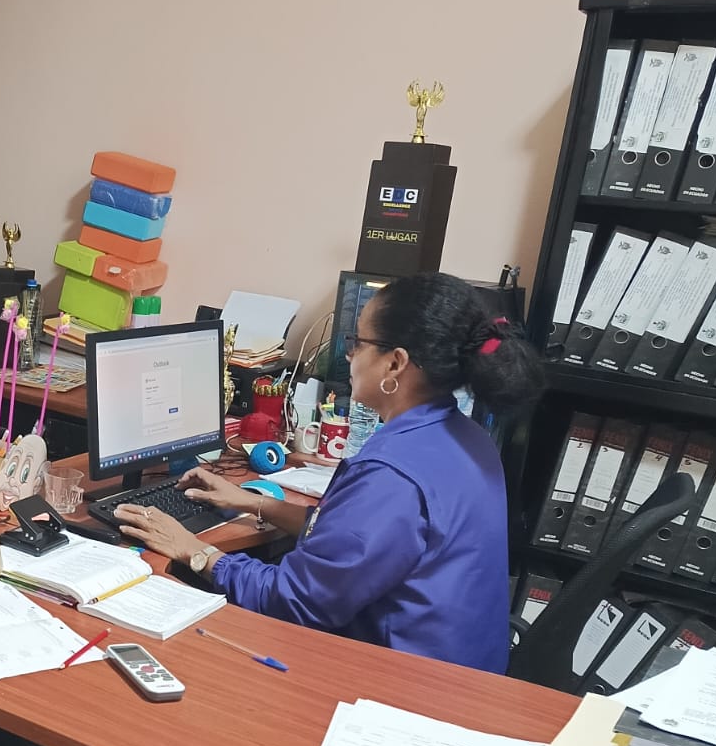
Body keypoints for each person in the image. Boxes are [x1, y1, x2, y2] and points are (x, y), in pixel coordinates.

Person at [114, 273, 542, 674]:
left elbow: (294, 600)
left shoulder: (391, 474)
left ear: (395, 363)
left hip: (403, 687)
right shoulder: (466, 437)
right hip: (465, 676)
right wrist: (254, 503)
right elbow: (363, 542)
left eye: (358, 342)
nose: (350, 355)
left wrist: (194, 551)